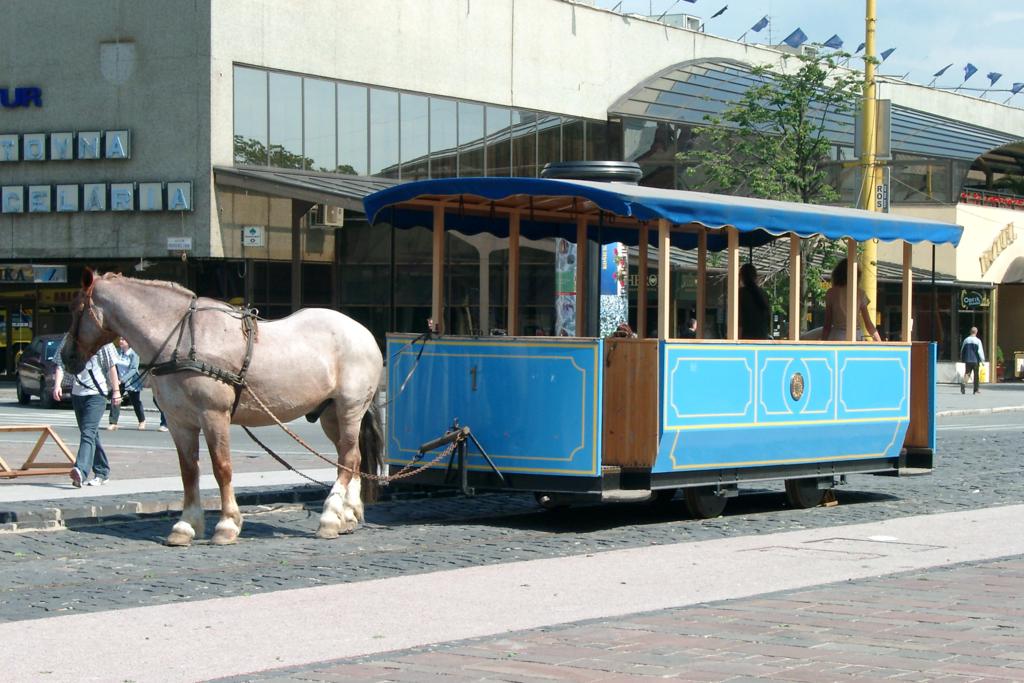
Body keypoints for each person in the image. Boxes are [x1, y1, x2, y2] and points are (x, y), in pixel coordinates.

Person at [53, 337, 121, 487]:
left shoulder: (102, 340)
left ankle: (80, 471)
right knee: (91, 434)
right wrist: (57, 385)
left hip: (97, 394)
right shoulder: (69, 339)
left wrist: (116, 391)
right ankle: (102, 471)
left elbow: (112, 366)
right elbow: (60, 364)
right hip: (77, 394)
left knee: (88, 433)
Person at [822, 259, 882, 342]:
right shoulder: (860, 293)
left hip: (837, 335)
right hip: (856, 335)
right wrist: (880, 342)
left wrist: (823, 341)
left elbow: (827, 324)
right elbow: (868, 323)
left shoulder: (831, 293)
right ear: (857, 275)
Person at [108, 337, 146, 430]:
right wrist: (115, 379)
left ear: (129, 342)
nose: (121, 341)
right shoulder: (118, 353)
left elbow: (134, 369)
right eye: (120, 339)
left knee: (135, 401)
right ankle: (113, 422)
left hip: (131, 382)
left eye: (123, 340)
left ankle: (142, 420)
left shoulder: (133, 354)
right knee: (115, 399)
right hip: (119, 381)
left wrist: (122, 380)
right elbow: (114, 366)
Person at [738, 263, 771, 339]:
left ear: (741, 277)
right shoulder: (763, 294)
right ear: (755, 277)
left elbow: (739, 320)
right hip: (762, 336)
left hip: (745, 338)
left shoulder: (740, 294)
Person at [960, 326, 985, 395]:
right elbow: (980, 351)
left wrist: (962, 358)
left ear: (970, 332)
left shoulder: (966, 340)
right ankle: (975, 390)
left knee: (967, 373)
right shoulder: (978, 341)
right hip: (975, 360)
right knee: (976, 375)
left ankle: (963, 383)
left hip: (968, 360)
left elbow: (962, 350)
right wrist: (982, 360)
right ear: (976, 332)